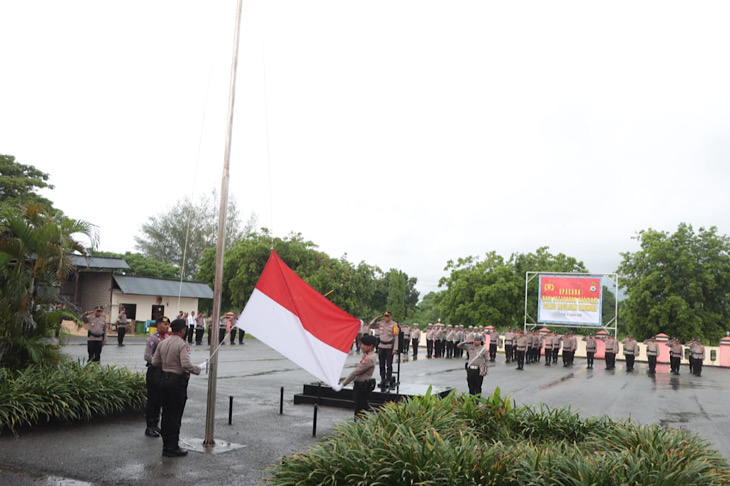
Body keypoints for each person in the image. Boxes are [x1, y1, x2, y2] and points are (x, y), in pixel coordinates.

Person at [152, 318, 204, 457]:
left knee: (166, 414)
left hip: (164, 379)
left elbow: (155, 361)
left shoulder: (163, 342)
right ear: (182, 330)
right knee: (175, 415)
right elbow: (185, 364)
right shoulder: (182, 344)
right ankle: (173, 447)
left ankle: (166, 446)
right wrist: (198, 369)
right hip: (177, 381)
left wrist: (166, 365)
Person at [332, 334, 378, 418]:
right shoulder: (368, 355)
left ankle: (360, 424)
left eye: (364, 345)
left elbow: (355, 372)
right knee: (360, 407)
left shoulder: (369, 358)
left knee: (360, 409)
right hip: (361, 385)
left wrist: (342, 384)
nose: (362, 346)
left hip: (362, 386)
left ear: (371, 346)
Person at [144, 316, 170, 437]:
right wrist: (159, 362)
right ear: (158, 325)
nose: (167, 326)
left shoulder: (168, 338)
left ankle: (155, 424)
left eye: (168, 324)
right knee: (152, 400)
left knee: (160, 399)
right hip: (154, 371)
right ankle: (149, 426)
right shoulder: (153, 339)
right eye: (164, 324)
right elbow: (147, 356)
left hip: (164, 372)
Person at [370, 311, 399, 388]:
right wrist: (376, 318)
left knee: (389, 365)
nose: (386, 317)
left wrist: (395, 348)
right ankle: (383, 379)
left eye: (388, 316)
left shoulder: (394, 325)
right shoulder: (381, 323)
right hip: (381, 346)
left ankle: (388, 380)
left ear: (391, 317)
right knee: (381, 364)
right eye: (385, 316)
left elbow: (396, 337)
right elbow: (371, 325)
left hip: (389, 346)